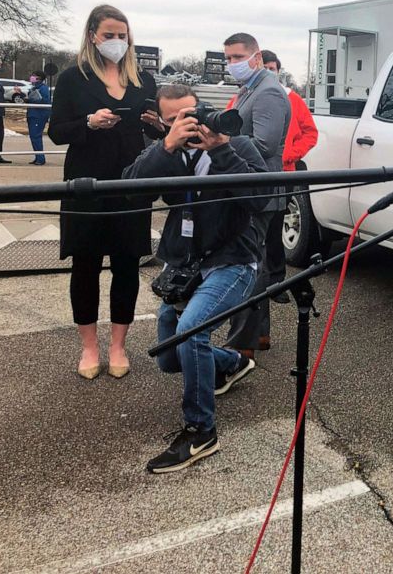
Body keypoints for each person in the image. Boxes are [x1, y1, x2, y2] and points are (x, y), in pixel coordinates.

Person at [123, 84, 267, 473]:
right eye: (177, 120)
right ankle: (232, 362)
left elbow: (261, 199)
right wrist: (165, 146)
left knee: (189, 332)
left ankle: (201, 431)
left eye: (194, 113)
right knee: (170, 358)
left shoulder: (239, 146)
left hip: (233, 259)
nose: (191, 123)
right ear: (164, 121)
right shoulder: (168, 153)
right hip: (185, 265)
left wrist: (220, 149)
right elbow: (129, 188)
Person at [48, 5, 163, 380]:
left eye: (122, 35)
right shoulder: (72, 78)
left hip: (131, 182)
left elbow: (160, 133)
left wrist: (157, 125)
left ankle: (117, 344)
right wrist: (88, 122)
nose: (116, 41)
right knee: (85, 265)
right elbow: (57, 131)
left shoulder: (144, 79)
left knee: (127, 264)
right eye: (109, 34)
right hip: (86, 183)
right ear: (92, 35)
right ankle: (89, 346)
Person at [221, 33, 290, 357]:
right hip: (247, 186)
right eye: (228, 58)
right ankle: (256, 334)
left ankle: (243, 343)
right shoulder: (250, 89)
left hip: (259, 189)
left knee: (249, 263)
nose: (232, 64)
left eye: (237, 57)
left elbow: (264, 145)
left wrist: (220, 143)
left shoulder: (269, 92)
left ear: (257, 57)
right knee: (253, 260)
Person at [252, 49, 318, 303]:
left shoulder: (292, 99)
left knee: (274, 229)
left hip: (282, 174)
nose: (269, 71)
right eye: (264, 67)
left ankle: (276, 283)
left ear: (278, 69)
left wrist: (289, 154)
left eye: (273, 67)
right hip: (251, 174)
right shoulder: (245, 96)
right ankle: (251, 281)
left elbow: (310, 133)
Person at [25, 70, 51, 165]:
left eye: (34, 76)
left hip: (39, 115)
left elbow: (45, 101)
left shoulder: (43, 88)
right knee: (33, 137)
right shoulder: (34, 88)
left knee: (36, 136)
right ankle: (37, 157)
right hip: (32, 114)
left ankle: (40, 158)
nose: (32, 77)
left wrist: (31, 99)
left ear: (39, 78)